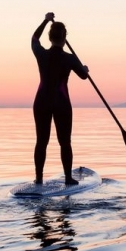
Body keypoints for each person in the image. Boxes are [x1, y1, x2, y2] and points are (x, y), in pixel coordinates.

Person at [31, 12, 89, 185]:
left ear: (49, 37)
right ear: (64, 38)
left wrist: (45, 20)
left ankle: (39, 179)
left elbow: (34, 38)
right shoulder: (70, 58)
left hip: (41, 101)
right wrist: (85, 68)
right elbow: (84, 76)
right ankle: (68, 178)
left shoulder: (41, 54)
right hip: (61, 103)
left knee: (41, 141)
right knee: (65, 142)